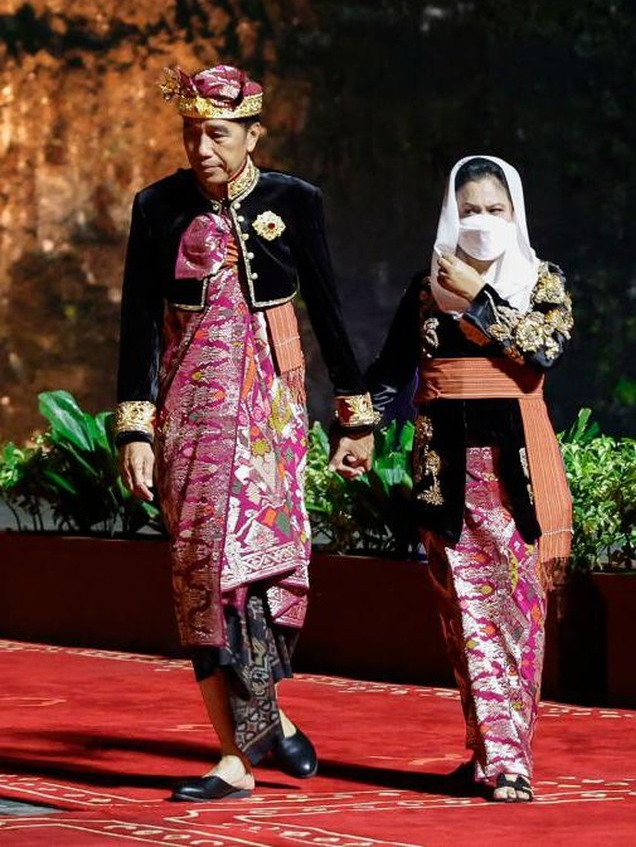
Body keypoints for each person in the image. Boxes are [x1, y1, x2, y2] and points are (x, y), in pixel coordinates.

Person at [115, 64, 374, 802]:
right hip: (190, 420)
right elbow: (136, 323)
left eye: (219, 134)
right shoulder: (157, 207)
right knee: (201, 574)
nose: (202, 148)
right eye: (191, 133)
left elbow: (325, 306)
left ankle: (264, 720)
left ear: (254, 133)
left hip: (271, 418)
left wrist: (354, 416)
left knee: (257, 571)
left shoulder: (294, 201)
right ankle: (238, 752)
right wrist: (134, 429)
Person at [358, 155, 574, 802]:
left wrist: (476, 301)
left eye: (496, 210)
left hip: (518, 475)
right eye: (471, 210)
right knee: (465, 619)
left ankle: (511, 762)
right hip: (443, 474)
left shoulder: (544, 282)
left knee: (516, 617)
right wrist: (356, 425)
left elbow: (540, 353)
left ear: (517, 215)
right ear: (453, 214)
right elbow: (390, 370)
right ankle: (491, 756)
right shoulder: (423, 289)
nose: (482, 222)